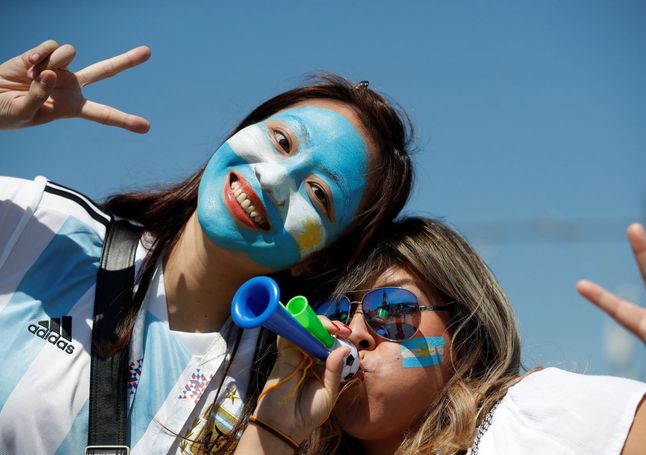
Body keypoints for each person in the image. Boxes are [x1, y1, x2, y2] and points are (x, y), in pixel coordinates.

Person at [0, 40, 415, 454]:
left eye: (317, 193)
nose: (272, 180)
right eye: (282, 141)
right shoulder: (41, 225)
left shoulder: (278, 389)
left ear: (319, 258)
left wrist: (272, 431)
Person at [237, 218, 646, 454]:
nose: (353, 333)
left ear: (465, 341)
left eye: (392, 311)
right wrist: (274, 430)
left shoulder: (547, 417)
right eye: (335, 312)